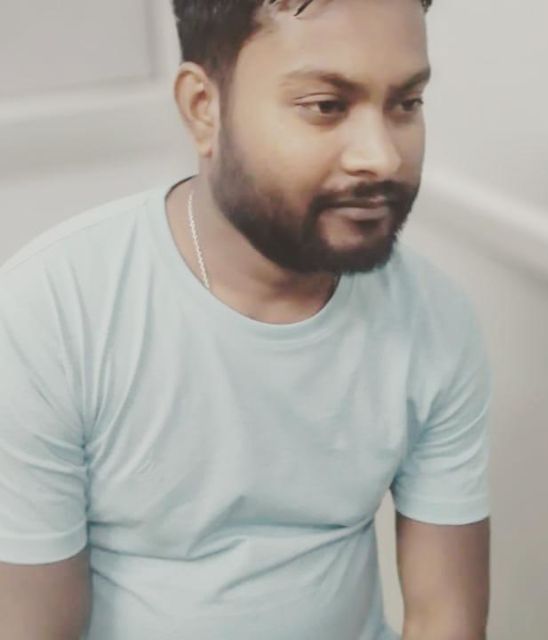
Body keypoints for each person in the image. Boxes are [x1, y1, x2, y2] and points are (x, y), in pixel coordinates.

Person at [0, 1, 493, 638]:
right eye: (326, 105)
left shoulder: (434, 320)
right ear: (203, 107)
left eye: (406, 103)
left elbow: (443, 617)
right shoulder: (51, 312)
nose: (382, 158)